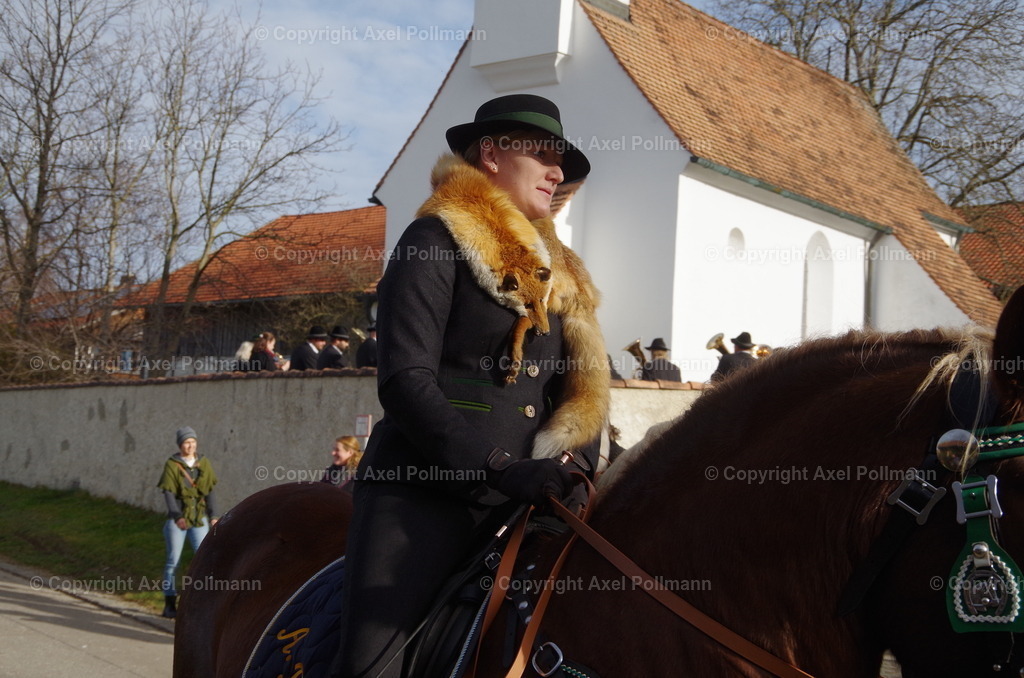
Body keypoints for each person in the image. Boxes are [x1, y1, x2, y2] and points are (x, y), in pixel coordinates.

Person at [331, 94, 610, 678]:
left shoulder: (558, 276)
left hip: (531, 502)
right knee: (371, 668)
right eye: (542, 154)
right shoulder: (431, 240)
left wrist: (579, 463)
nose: (557, 173)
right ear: (490, 154)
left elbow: (573, 395)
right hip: (422, 494)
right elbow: (405, 381)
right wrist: (498, 467)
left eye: (560, 162)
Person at [157, 426, 218, 619]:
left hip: (199, 518)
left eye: (193, 442)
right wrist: (177, 516)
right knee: (173, 561)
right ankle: (169, 604)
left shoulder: (204, 463)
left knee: (204, 559)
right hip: (179, 519)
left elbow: (209, 491)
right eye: (186, 442)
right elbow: (168, 492)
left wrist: (214, 515)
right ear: (180, 445)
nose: (190, 446)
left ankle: (201, 602)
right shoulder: (172, 465)